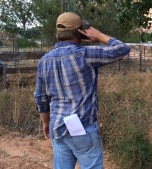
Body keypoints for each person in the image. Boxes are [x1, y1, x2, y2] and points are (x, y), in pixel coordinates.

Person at [34, 12, 130, 169]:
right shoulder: (85, 54)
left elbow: (40, 97)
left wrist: (46, 122)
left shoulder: (44, 60)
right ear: (80, 32)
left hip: (57, 126)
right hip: (82, 127)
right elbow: (122, 49)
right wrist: (99, 36)